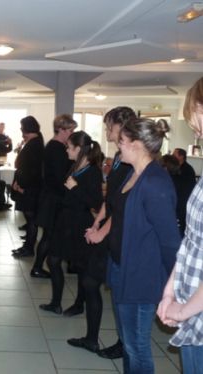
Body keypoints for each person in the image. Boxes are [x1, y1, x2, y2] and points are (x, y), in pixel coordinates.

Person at [106, 117, 180, 373]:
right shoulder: (134, 173)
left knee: (136, 347)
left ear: (137, 144)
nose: (119, 146)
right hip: (122, 268)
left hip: (141, 277)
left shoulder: (154, 183)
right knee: (127, 343)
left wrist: (175, 287)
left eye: (122, 142)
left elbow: (170, 242)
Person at [157, 77, 203, 374]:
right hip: (192, 312)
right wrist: (170, 291)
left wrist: (184, 309)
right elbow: (191, 241)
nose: (196, 131)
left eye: (196, 120)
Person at [83, 106, 136, 360]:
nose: (106, 131)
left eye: (109, 126)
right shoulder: (117, 157)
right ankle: (98, 338)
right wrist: (98, 220)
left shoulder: (131, 160)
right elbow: (111, 196)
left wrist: (102, 232)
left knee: (112, 290)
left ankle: (123, 343)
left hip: (119, 236)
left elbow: (124, 207)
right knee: (96, 284)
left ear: (122, 126)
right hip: (108, 229)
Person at [39, 131, 103, 323]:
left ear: (78, 149)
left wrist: (75, 188)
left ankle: (78, 303)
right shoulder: (74, 166)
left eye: (69, 147)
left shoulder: (92, 171)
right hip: (65, 220)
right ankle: (56, 302)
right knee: (53, 260)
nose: (66, 149)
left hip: (78, 222)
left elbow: (95, 202)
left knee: (80, 266)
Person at [29, 114, 76, 278]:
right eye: (70, 129)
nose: (72, 133)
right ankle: (37, 267)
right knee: (49, 235)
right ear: (61, 129)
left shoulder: (55, 146)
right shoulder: (56, 148)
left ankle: (38, 266)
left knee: (49, 235)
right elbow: (58, 177)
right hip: (54, 198)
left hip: (52, 196)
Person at [11, 116, 44, 258]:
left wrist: (22, 187)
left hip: (29, 189)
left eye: (21, 126)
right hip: (27, 187)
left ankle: (29, 248)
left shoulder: (34, 144)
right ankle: (27, 246)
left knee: (31, 220)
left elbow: (32, 170)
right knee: (30, 219)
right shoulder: (33, 142)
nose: (20, 129)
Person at [172, 148, 197, 235]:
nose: (172, 156)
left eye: (174, 154)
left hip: (182, 204)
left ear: (181, 156)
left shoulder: (188, 170)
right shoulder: (175, 168)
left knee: (181, 229)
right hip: (176, 202)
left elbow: (185, 189)